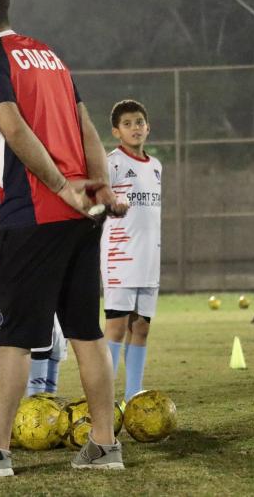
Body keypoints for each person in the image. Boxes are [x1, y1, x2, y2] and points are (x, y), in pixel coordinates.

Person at [0, 0, 128, 477]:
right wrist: (98, 184)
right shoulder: (50, 55)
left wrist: (61, 186)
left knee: (13, 338)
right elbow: (85, 123)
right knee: (87, 332)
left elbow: (13, 128)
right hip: (81, 216)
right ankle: (104, 447)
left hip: (34, 213)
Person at [102, 100, 162, 402]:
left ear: (148, 127)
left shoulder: (156, 166)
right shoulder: (111, 163)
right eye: (127, 124)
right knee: (115, 328)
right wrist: (108, 206)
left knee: (140, 328)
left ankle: (133, 397)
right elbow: (94, 204)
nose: (135, 128)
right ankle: (105, 401)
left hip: (149, 260)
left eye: (139, 122)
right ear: (116, 131)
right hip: (120, 258)